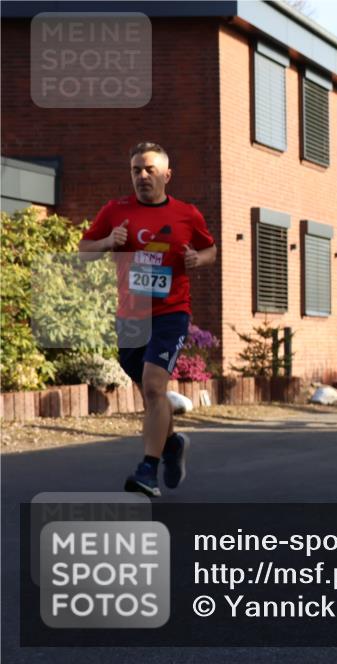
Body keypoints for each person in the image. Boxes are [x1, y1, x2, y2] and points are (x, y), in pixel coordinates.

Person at [78, 141, 217, 497]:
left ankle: (147, 470)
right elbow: (84, 249)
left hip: (171, 313)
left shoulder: (187, 214)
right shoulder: (115, 210)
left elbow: (209, 249)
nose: (142, 176)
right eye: (136, 170)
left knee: (154, 386)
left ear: (166, 175)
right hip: (131, 315)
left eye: (149, 169)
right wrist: (108, 240)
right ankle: (171, 444)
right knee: (149, 392)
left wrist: (196, 260)